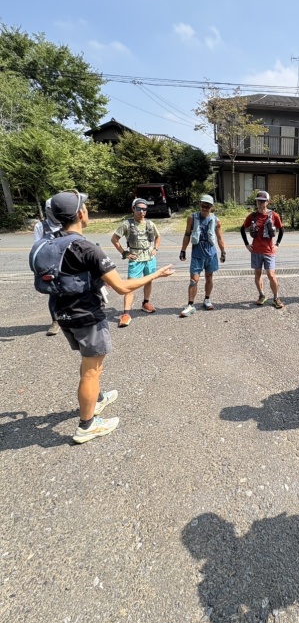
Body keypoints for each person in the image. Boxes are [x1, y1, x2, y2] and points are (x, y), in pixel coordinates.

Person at [48, 190, 174, 444]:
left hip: (62, 312)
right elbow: (122, 287)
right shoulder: (86, 248)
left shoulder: (52, 243)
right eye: (85, 207)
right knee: (91, 371)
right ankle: (87, 425)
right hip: (86, 315)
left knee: (90, 363)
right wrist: (157, 274)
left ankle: (97, 398)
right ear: (80, 214)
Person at [111, 198, 161, 327]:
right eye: (139, 209)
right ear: (133, 209)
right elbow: (114, 239)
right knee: (130, 285)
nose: (142, 212)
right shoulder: (126, 224)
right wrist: (124, 253)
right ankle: (126, 313)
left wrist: (155, 248)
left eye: (144, 209)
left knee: (148, 281)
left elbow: (157, 236)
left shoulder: (150, 223)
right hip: (135, 258)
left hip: (149, 257)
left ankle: (146, 303)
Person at [179, 194, 226, 317]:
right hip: (197, 254)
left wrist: (223, 252)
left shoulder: (216, 221)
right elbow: (187, 234)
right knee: (193, 280)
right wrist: (183, 250)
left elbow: (219, 237)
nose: (205, 208)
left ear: (212, 207)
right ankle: (190, 305)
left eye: (208, 206)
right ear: (199, 205)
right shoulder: (192, 218)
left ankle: (207, 299)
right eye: (203, 205)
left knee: (209, 277)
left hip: (211, 254)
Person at [240, 190, 285, 309]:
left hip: (269, 250)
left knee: (271, 274)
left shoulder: (274, 215)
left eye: (263, 201)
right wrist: (247, 244)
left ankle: (276, 297)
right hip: (256, 250)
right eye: (258, 201)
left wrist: (277, 244)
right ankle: (261, 295)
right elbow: (242, 229)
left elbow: (281, 229)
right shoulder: (252, 216)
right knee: (258, 273)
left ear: (267, 202)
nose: (260, 203)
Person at [33, 198, 63, 336]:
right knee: (53, 293)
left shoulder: (67, 222)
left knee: (73, 290)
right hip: (51, 266)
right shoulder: (41, 226)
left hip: (67, 263)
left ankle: (71, 318)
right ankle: (55, 321)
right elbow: (38, 247)